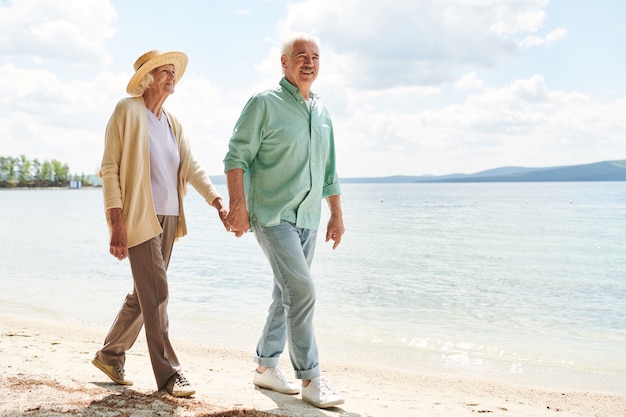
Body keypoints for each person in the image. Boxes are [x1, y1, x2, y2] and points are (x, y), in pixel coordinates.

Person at [92, 49, 228, 397]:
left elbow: (191, 165)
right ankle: (169, 374)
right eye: (164, 71)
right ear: (147, 78)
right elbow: (109, 169)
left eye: (173, 71)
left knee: (144, 295)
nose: (172, 76)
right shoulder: (127, 110)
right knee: (158, 294)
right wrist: (116, 224)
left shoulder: (173, 122)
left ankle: (110, 355)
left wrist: (215, 199)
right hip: (139, 217)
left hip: (169, 217)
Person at [223, 33, 345, 409]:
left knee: (286, 293)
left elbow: (329, 170)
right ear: (284, 62)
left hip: (308, 216)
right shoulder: (264, 103)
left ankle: (264, 368)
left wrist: (336, 213)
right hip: (272, 214)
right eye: (300, 56)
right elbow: (235, 157)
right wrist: (239, 206)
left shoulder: (322, 111)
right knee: (303, 292)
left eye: (315, 56)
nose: (309, 62)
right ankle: (310, 376)